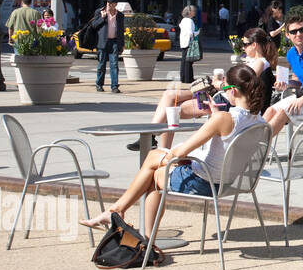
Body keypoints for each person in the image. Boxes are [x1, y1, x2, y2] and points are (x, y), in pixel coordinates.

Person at [79, 64, 273, 234]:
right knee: (156, 162)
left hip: (204, 183)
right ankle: (119, 213)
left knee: (154, 172)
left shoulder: (223, 118)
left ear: (234, 91)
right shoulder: (261, 122)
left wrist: (169, 157)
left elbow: (181, 151)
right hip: (230, 183)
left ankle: (132, 226)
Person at [137, 27, 275, 153]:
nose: (243, 48)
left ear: (254, 45)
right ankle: (155, 142)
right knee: (170, 99)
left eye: (245, 44)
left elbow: (243, 84)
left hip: (224, 103)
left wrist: (220, 84)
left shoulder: (260, 62)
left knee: (172, 109)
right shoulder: (255, 62)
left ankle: (157, 145)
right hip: (223, 98)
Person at [89, 0, 126, 93]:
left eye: (112, 4)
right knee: (101, 64)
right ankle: (99, 84)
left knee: (114, 64)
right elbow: (94, 25)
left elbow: (121, 31)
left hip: (114, 41)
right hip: (102, 42)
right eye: (108, 4)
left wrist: (122, 44)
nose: (109, 6)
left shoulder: (120, 15)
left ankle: (114, 86)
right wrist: (103, 17)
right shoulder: (99, 12)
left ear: (115, 5)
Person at [177, 4, 199, 84]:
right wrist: (198, 32)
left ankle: (184, 78)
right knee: (188, 61)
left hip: (184, 42)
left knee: (184, 61)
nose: (194, 12)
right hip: (189, 42)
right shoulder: (189, 21)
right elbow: (191, 33)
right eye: (193, 11)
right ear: (189, 12)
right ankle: (188, 78)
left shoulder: (183, 20)